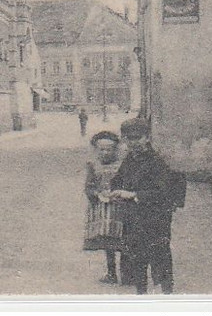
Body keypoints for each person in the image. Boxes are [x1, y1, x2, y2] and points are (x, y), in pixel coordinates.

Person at [106, 117, 185, 294]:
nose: (133, 142)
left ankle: (167, 296)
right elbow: (118, 179)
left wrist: (134, 194)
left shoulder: (157, 162)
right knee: (137, 260)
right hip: (134, 218)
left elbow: (164, 192)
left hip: (156, 219)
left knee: (160, 257)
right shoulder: (130, 159)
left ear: (147, 138)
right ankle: (141, 297)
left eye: (137, 138)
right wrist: (114, 191)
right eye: (128, 138)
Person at [83, 130, 125, 284]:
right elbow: (89, 186)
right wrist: (96, 194)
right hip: (103, 209)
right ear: (97, 150)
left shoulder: (122, 165)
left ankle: (127, 273)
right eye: (102, 149)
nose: (105, 152)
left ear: (116, 149)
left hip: (121, 206)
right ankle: (112, 272)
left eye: (109, 149)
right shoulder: (93, 165)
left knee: (124, 238)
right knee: (109, 242)